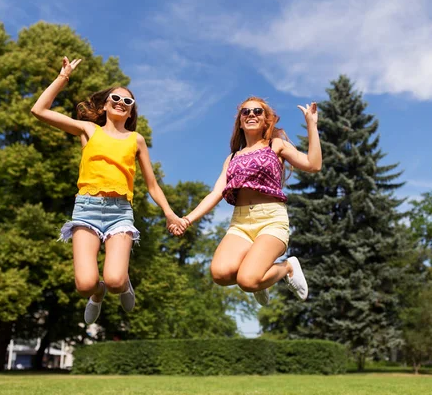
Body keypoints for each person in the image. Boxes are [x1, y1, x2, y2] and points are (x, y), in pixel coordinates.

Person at [31, 57, 183, 324]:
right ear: (104, 104)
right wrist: (63, 77)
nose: (121, 103)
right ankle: (97, 294)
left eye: (128, 102)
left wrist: (170, 214)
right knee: (85, 284)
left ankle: (122, 285)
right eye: (116, 98)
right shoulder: (89, 130)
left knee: (114, 279)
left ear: (132, 112)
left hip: (120, 212)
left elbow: (152, 185)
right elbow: (39, 110)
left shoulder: (136, 140)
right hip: (87, 208)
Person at [171, 96, 321, 305]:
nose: (251, 114)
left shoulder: (276, 145)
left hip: (271, 219)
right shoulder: (232, 158)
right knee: (220, 274)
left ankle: (287, 267)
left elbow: (313, 165)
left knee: (247, 281)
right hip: (240, 223)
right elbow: (216, 193)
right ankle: (261, 279)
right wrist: (186, 220)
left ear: (266, 120)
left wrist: (311, 125)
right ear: (240, 121)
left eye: (257, 111)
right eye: (246, 112)